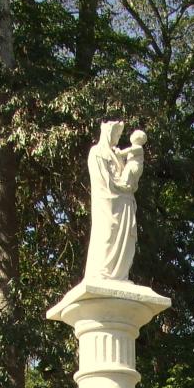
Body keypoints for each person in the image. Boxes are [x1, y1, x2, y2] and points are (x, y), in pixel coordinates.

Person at [84, 121, 142, 282]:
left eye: (119, 135)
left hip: (125, 201)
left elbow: (129, 175)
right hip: (108, 201)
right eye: (116, 134)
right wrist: (122, 187)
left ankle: (119, 275)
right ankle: (103, 272)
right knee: (108, 232)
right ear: (108, 132)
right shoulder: (96, 152)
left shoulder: (117, 154)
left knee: (126, 239)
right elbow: (102, 180)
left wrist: (127, 185)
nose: (117, 138)